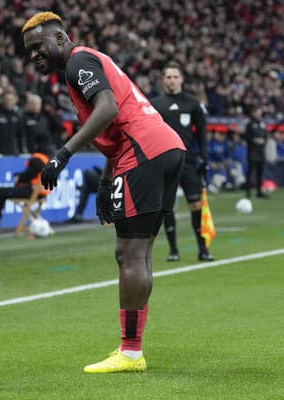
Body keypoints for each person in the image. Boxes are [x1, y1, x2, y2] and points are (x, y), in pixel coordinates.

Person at [22, 12, 185, 373]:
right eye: (28, 51)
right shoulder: (90, 60)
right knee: (139, 253)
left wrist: (63, 154)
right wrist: (105, 180)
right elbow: (115, 121)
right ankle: (133, 350)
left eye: (38, 46)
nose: (34, 55)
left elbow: (108, 109)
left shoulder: (77, 61)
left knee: (128, 253)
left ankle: (129, 353)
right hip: (163, 148)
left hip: (143, 152)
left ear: (61, 38)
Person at [150, 62, 214, 262]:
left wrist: (204, 156)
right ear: (163, 79)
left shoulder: (193, 103)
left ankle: (203, 249)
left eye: (174, 76)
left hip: (188, 160)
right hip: (164, 160)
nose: (171, 80)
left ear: (181, 79)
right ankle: (173, 250)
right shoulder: (155, 104)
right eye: (168, 77)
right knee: (167, 205)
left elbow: (202, 132)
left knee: (195, 204)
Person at [0, 147, 52, 234]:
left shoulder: (37, 158)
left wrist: (19, 177)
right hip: (42, 193)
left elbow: (31, 173)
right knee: (0, 194)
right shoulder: (46, 159)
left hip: (32, 192)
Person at [243, 106, 269, 199]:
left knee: (260, 172)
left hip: (261, 151)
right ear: (253, 112)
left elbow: (266, 135)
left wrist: (264, 140)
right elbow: (246, 136)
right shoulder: (249, 124)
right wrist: (254, 140)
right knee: (251, 172)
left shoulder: (262, 123)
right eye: (258, 111)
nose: (259, 113)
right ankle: (248, 191)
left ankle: (259, 191)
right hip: (253, 151)